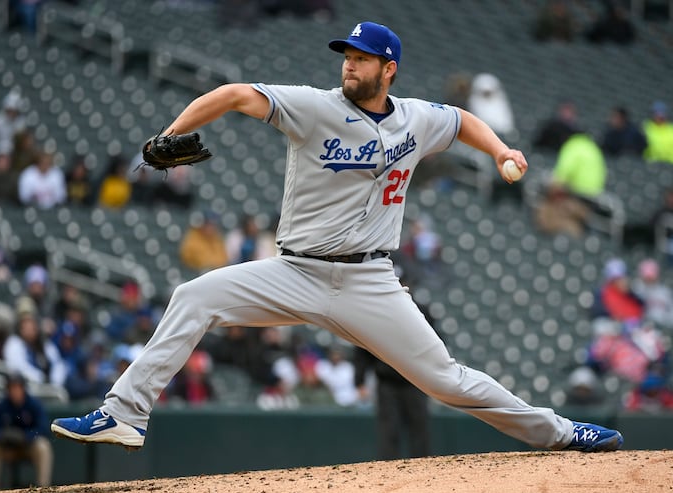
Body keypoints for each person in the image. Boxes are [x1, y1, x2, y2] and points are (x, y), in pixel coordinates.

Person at [52, 21, 623, 453]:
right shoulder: (312, 107)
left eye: (361, 59)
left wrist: (500, 149)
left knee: (446, 380)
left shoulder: (415, 120)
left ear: (388, 68)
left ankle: (562, 433)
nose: (349, 66)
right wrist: (170, 134)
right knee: (193, 297)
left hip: (368, 281)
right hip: (293, 272)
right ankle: (124, 414)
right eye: (347, 57)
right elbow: (232, 94)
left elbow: (459, 120)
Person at [354, 346, 429, 459]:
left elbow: (432, 344)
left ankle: (424, 466)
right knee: (389, 429)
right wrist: (359, 380)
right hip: (387, 381)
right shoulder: (378, 327)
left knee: (419, 428)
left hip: (415, 381)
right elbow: (364, 346)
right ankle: (388, 469)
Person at [0, 373, 52, 490]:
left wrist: (26, 436)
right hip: (8, 448)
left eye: (17, 387)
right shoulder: (1, 406)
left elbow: (43, 429)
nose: (15, 391)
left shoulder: (33, 404)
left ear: (23, 388)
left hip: (28, 447)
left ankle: (43, 488)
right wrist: (2, 436)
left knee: (43, 446)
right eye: (11, 388)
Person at [466, 73, 516, 140]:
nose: (487, 94)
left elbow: (506, 125)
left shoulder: (500, 102)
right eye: (485, 92)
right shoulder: (474, 101)